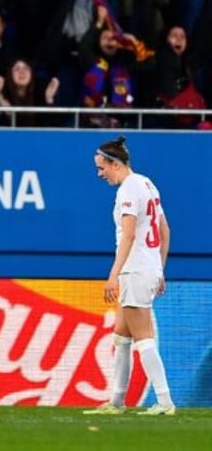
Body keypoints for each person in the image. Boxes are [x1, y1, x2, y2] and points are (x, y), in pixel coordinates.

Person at [85, 136, 176, 416]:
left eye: (102, 168)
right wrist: (159, 269)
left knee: (143, 338)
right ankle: (117, 401)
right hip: (145, 267)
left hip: (134, 269)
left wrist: (114, 274)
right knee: (121, 338)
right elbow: (165, 232)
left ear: (115, 164)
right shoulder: (148, 184)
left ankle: (164, 401)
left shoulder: (127, 190)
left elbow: (129, 233)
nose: (100, 174)